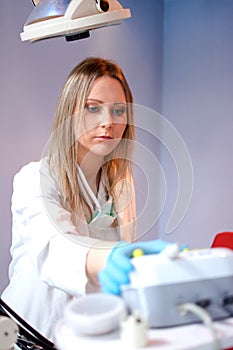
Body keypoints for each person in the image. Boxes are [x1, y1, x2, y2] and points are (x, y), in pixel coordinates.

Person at [1, 57, 171, 341]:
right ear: (70, 112)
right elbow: (55, 249)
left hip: (85, 335)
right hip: (27, 333)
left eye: (118, 110)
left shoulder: (121, 186)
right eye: (93, 108)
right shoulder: (34, 179)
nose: (108, 122)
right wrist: (110, 258)